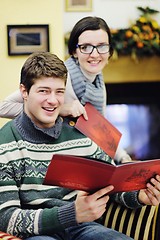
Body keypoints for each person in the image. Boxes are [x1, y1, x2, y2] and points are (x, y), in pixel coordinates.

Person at [1, 52, 160, 240]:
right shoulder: (6, 142)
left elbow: (112, 183)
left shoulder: (82, 132)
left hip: (83, 228)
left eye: (59, 92)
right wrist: (71, 214)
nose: (53, 100)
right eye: (43, 91)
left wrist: (139, 195)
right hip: (37, 234)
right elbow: (6, 217)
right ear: (24, 92)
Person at [0, 16, 131, 163]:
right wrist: (59, 110)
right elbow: (3, 108)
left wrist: (124, 158)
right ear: (74, 51)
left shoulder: (98, 83)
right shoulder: (60, 76)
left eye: (102, 46)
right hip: (50, 155)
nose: (95, 54)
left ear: (109, 50)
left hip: (83, 153)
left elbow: (102, 130)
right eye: (85, 47)